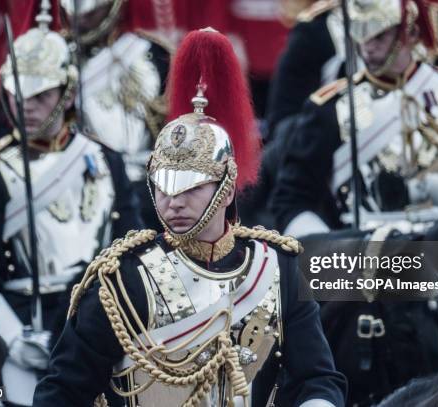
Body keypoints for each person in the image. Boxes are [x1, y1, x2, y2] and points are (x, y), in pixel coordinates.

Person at [33, 29, 347, 407]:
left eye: (191, 188)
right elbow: (62, 390)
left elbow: (318, 378)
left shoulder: (277, 269)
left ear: (226, 189)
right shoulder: (122, 279)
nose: (173, 203)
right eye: (165, 188)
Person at [0, 2, 141, 357]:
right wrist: (10, 338)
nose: (27, 106)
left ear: (66, 93)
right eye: (18, 95)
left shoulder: (106, 160)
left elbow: (130, 251)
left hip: (99, 318)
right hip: (16, 330)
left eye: (41, 96)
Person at [270, 0, 438, 241]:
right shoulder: (330, 107)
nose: (367, 47)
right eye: (361, 35)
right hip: (365, 256)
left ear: (410, 32)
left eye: (379, 36)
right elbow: (292, 197)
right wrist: (329, 250)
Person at [56, 0, 171, 230]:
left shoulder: (150, 53)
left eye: (92, 12)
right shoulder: (55, 57)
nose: (80, 19)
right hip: (79, 182)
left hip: (144, 185)